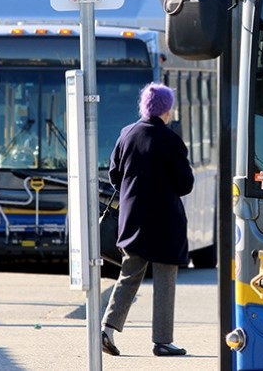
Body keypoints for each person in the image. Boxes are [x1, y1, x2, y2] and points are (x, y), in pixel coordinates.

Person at [101, 83, 194, 357]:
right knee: (165, 278)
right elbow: (185, 184)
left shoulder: (126, 134)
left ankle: (107, 330)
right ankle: (162, 341)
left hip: (133, 219)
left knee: (129, 274)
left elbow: (114, 177)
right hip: (165, 221)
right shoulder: (171, 140)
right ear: (166, 109)